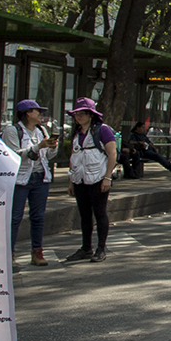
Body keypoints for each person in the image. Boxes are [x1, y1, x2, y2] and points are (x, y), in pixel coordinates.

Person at [2, 99, 59, 266]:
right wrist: (37, 147)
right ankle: (9, 254)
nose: (40, 115)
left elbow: (47, 156)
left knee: (38, 217)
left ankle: (37, 252)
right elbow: (13, 155)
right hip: (20, 179)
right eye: (37, 112)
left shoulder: (41, 130)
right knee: (15, 217)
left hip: (40, 178)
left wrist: (52, 147)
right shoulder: (13, 131)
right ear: (27, 113)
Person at [65, 98, 118, 262]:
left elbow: (112, 154)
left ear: (91, 114)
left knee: (100, 213)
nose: (79, 116)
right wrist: (71, 181)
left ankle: (101, 248)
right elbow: (74, 156)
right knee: (84, 215)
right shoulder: (76, 133)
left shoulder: (102, 130)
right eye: (76, 114)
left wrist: (108, 177)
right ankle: (85, 248)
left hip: (98, 178)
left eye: (82, 113)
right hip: (80, 179)